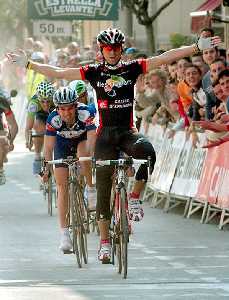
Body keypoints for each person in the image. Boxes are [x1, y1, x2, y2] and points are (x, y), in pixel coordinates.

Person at [6, 28, 221, 263]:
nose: (112, 52)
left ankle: (135, 197)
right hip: (105, 135)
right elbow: (60, 72)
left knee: (147, 152)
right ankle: (105, 243)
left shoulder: (133, 67)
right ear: (102, 50)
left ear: (121, 49)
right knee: (103, 190)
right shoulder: (94, 71)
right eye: (108, 49)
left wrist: (196, 47)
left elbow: (164, 58)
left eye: (116, 48)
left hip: (127, 132)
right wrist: (30, 65)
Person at [42, 86, 97, 252]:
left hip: (82, 140)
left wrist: (92, 157)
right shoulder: (53, 119)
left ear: (76, 105)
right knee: (62, 186)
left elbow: (92, 138)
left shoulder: (86, 112)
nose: (66, 113)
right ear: (57, 108)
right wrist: (45, 168)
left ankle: (91, 188)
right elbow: (48, 147)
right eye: (62, 109)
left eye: (70, 108)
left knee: (83, 153)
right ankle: (65, 235)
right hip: (62, 144)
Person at [25, 81, 56, 174]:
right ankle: (37, 155)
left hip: (54, 113)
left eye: (48, 101)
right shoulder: (34, 103)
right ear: (38, 99)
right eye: (42, 101)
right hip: (40, 115)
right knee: (38, 128)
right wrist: (28, 140)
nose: (46, 104)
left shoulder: (56, 100)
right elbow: (28, 127)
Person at [0, 88, 18, 184]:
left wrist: (10, 140)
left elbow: (13, 125)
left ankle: (0, 170)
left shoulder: (2, 102)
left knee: (2, 141)